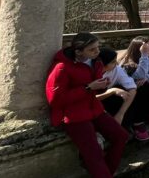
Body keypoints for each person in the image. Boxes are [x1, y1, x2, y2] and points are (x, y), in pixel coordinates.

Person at [46, 33, 128, 178]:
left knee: (121, 136)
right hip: (73, 115)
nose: (97, 52)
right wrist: (88, 87)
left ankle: (105, 173)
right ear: (78, 51)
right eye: (92, 49)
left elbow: (95, 86)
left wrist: (102, 86)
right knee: (94, 153)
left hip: (94, 109)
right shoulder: (62, 67)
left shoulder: (95, 62)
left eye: (98, 47)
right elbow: (55, 100)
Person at [96, 48, 147, 141]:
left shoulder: (117, 70)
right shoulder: (89, 72)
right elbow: (88, 98)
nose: (116, 64)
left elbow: (132, 88)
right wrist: (112, 91)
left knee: (129, 94)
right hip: (93, 102)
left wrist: (120, 114)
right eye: (112, 62)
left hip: (108, 101)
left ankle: (126, 125)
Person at [119, 37, 149, 120]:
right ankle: (139, 119)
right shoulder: (127, 63)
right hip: (133, 93)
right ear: (139, 49)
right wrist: (144, 55)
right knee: (143, 88)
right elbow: (140, 76)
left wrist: (147, 78)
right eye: (148, 47)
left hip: (146, 88)